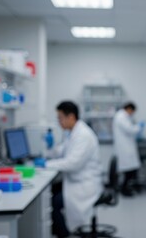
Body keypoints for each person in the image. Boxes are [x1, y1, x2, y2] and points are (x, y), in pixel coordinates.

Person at [40, 101, 103, 237]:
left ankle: (64, 234)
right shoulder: (72, 133)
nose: (59, 122)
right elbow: (61, 152)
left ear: (71, 117)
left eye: (60, 118)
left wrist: (45, 165)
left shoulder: (83, 135)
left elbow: (73, 163)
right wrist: (50, 148)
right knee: (50, 192)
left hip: (84, 184)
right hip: (75, 180)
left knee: (53, 203)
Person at [113, 102, 144, 197]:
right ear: (129, 109)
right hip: (125, 148)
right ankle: (124, 190)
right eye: (132, 111)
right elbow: (130, 129)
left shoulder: (123, 116)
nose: (132, 114)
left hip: (127, 147)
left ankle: (126, 189)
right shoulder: (121, 117)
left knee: (130, 170)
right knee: (128, 171)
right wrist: (139, 126)